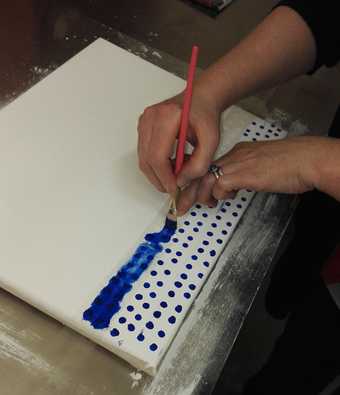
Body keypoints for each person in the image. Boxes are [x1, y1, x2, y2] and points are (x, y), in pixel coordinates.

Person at [138, 1, 340, 394]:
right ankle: (286, 296)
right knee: (302, 268)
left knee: (304, 361)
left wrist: (322, 161)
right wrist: (208, 93)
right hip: (327, 215)